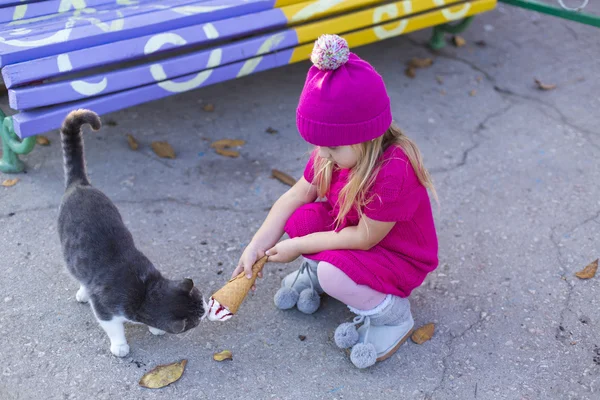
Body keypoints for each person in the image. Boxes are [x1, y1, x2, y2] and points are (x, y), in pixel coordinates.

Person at [232, 34, 439, 368]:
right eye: (320, 146)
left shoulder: (393, 171)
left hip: (396, 255)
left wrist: (299, 246)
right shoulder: (337, 150)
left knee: (330, 272)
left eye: (332, 148)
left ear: (367, 133)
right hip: (354, 233)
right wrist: (257, 244)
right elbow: (297, 194)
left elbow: (364, 237)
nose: (323, 155)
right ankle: (333, 276)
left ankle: (393, 316)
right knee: (299, 218)